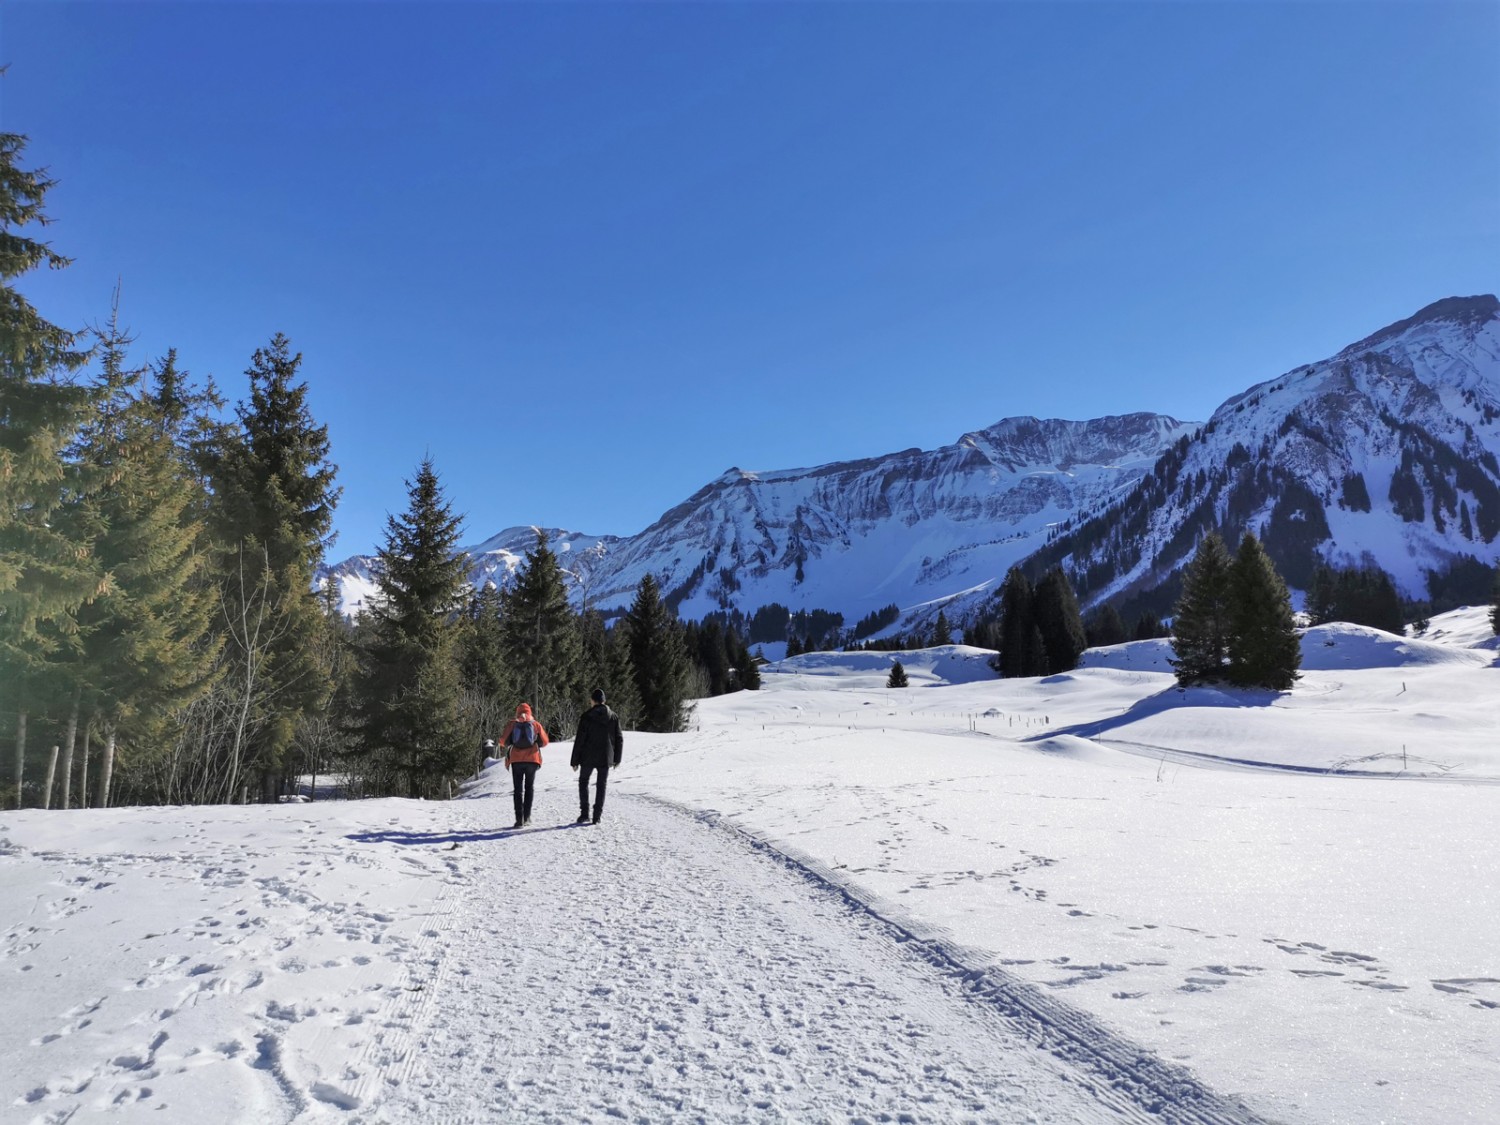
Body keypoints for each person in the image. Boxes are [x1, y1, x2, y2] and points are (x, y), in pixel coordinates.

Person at [570, 688, 623, 824]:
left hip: (587, 756)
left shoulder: (586, 716)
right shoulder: (613, 716)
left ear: (593, 701)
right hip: (605, 756)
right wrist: (617, 758)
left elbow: (580, 739)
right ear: (604, 701)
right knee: (601, 785)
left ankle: (584, 814)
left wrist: (574, 760)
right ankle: (597, 817)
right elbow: (619, 738)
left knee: (583, 782)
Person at [499, 703, 549, 829]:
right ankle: (527, 817)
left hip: (516, 760)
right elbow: (545, 742)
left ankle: (519, 819)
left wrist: (512, 742)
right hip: (532, 759)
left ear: (518, 711)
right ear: (529, 711)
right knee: (529, 788)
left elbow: (502, 741)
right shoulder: (535, 724)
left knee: (517, 790)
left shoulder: (512, 724)